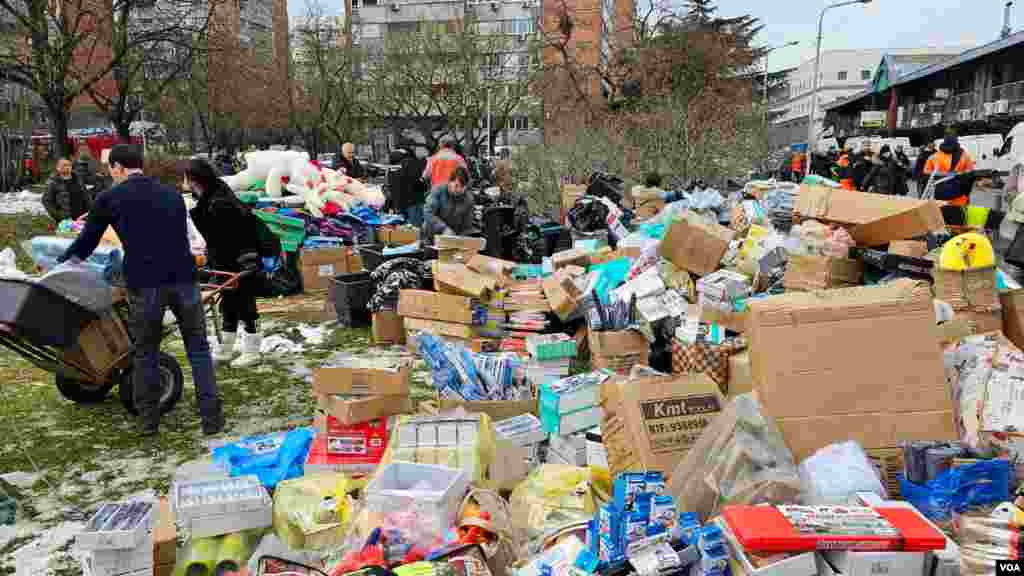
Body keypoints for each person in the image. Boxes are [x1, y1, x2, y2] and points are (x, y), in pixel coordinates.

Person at [59, 145, 224, 437]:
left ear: (120, 167)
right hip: (184, 278)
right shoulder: (171, 194)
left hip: (145, 283)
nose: (110, 174)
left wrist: (60, 266)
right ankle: (212, 419)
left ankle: (149, 422)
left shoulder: (110, 198)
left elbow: (86, 244)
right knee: (198, 348)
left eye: (111, 168)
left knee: (145, 352)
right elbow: (184, 236)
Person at [184, 158, 265, 368]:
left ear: (195, 180)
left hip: (239, 260)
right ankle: (226, 348)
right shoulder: (212, 195)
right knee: (228, 304)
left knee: (246, 305)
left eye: (186, 178)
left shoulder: (220, 203)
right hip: (223, 260)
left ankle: (252, 351)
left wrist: (247, 261)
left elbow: (237, 233)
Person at [422, 166, 475, 246]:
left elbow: (467, 225)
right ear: (450, 181)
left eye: (462, 187)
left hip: (453, 237)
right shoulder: (438, 190)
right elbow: (428, 213)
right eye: (456, 185)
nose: (459, 189)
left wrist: (462, 240)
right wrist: (444, 228)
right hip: (430, 235)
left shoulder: (468, 199)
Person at [924, 134, 976, 206]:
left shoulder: (934, 156)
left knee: (941, 214)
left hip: (939, 194)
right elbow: (970, 172)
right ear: (956, 142)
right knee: (958, 215)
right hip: (959, 195)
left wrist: (942, 174)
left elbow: (926, 171)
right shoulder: (964, 155)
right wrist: (959, 174)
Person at [43, 157, 91, 222]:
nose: (67, 167)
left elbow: (86, 196)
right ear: (58, 167)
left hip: (83, 218)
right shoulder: (53, 182)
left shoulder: (78, 179)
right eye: (64, 165)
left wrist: (90, 211)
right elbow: (47, 201)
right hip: (66, 221)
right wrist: (59, 216)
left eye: (69, 165)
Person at [394, 150, 429, 227]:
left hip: (403, 200)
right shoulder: (417, 164)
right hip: (416, 199)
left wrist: (396, 204)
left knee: (404, 226)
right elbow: (422, 181)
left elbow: (397, 186)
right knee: (416, 225)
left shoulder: (398, 166)